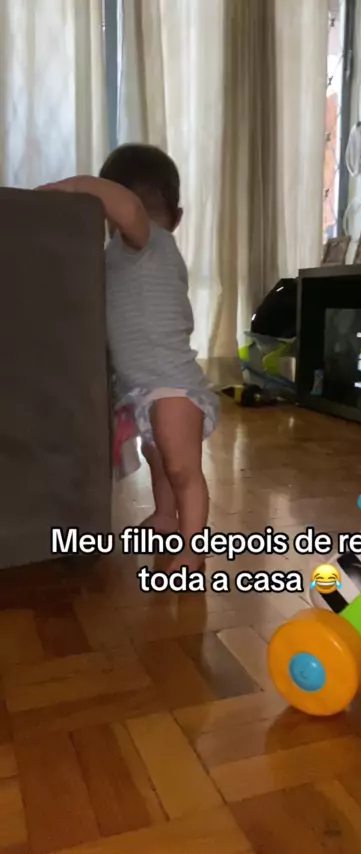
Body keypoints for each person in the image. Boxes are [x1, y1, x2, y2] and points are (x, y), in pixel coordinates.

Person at [37, 144, 219, 572]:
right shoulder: (114, 254)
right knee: (160, 462)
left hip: (173, 384)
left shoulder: (150, 241)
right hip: (139, 388)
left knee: (182, 469)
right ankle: (165, 516)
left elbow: (129, 208)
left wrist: (74, 187)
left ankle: (193, 548)